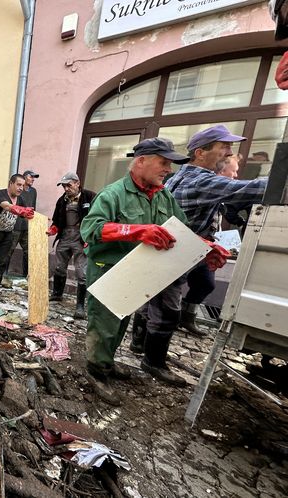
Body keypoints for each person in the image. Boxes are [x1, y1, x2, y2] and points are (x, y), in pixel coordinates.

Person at [80, 137, 228, 405]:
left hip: (137, 271)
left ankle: (107, 362)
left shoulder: (163, 195)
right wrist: (138, 230)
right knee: (104, 325)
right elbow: (90, 230)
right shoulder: (113, 194)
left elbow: (179, 230)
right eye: (163, 163)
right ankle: (96, 372)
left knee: (121, 321)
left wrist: (206, 246)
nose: (168, 170)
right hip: (108, 270)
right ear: (141, 161)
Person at [165, 125, 268, 336]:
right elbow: (252, 189)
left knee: (202, 284)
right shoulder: (200, 180)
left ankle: (177, 322)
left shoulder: (187, 176)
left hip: (195, 248)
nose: (230, 152)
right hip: (180, 252)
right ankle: (150, 351)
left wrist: (234, 222)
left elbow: (228, 202)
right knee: (164, 306)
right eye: (225, 146)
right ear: (200, 153)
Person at [46, 172, 96, 319]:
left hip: (81, 237)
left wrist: (90, 236)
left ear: (77, 183)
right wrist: (53, 230)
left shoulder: (90, 196)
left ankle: (80, 306)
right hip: (65, 236)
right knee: (59, 266)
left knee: (82, 272)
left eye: (68, 185)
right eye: (63, 186)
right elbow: (56, 221)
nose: (66, 188)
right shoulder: (62, 200)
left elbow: (97, 218)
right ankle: (57, 294)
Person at [7, 170, 39, 276]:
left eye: (34, 177)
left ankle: (26, 276)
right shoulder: (18, 191)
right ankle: (3, 274)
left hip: (27, 227)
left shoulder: (33, 191)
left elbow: (33, 208)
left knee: (28, 252)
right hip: (15, 226)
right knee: (8, 250)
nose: (33, 179)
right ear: (25, 178)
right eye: (31, 177)